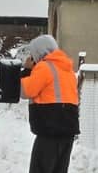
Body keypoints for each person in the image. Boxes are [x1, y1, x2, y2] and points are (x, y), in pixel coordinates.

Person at [20, 34, 79, 173]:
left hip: (49, 132)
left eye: (33, 54)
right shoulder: (68, 70)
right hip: (67, 132)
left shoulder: (44, 67)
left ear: (39, 52)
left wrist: (27, 70)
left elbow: (25, 91)